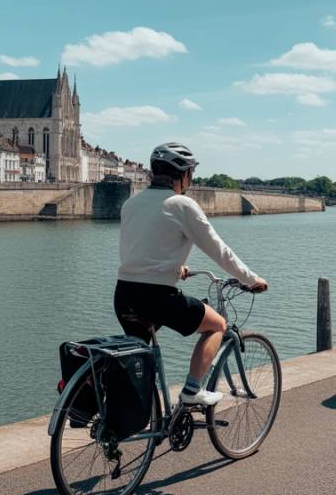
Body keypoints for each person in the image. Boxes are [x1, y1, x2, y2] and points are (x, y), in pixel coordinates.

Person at [114, 142, 268, 406]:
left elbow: (137, 250)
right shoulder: (182, 204)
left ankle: (125, 412)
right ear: (184, 175)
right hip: (157, 297)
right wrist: (251, 279)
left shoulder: (131, 203)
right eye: (191, 173)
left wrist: (175, 267)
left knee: (135, 356)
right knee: (217, 325)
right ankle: (192, 391)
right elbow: (218, 250)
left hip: (124, 294)